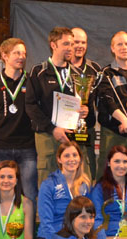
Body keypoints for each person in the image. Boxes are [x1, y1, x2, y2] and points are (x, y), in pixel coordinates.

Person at [26, 27, 90, 187]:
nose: (71, 48)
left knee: (76, 182)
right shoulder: (38, 72)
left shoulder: (77, 74)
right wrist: (52, 128)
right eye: (66, 44)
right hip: (47, 135)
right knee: (47, 182)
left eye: (72, 44)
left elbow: (81, 102)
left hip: (72, 136)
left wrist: (84, 110)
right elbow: (30, 105)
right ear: (53, 45)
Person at [0, 37, 37, 202]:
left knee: (29, 193)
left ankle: (28, 220)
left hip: (27, 147)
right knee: (1, 193)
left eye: (24, 53)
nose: (21, 57)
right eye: (16, 53)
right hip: (0, 147)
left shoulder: (32, 82)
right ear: (4, 56)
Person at [96, 31, 127, 172]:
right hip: (112, 133)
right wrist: (124, 121)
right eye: (119, 44)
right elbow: (108, 101)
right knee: (107, 175)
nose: (124, 47)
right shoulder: (106, 73)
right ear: (113, 48)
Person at [70, 27, 103, 177]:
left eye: (83, 42)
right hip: (66, 130)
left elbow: (100, 100)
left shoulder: (95, 69)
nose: (80, 46)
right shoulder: (61, 68)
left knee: (89, 172)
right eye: (76, 42)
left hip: (87, 129)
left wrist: (89, 109)